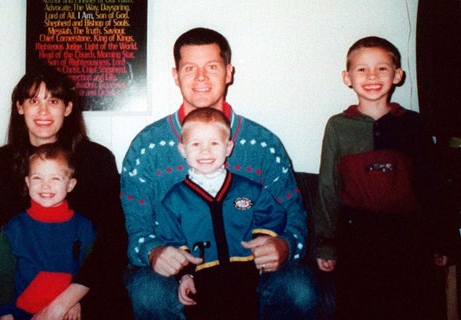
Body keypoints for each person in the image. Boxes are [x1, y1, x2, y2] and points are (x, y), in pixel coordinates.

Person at [121, 27, 318, 320]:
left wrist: (285, 246)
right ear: (175, 75)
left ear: (228, 72)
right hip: (176, 275)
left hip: (250, 271)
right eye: (190, 68)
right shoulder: (147, 147)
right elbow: (136, 230)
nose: (201, 78)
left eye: (211, 67)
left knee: (300, 288)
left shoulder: (263, 143)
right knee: (148, 293)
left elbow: (295, 216)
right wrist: (153, 253)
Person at [314, 36, 450, 319]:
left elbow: (431, 183)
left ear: (398, 75)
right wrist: (326, 241)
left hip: (408, 237)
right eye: (362, 69)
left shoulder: (413, 124)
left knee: (411, 305)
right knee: (359, 307)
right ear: (347, 77)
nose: (372, 76)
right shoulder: (338, 127)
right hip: (357, 238)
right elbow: (328, 186)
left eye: (382, 69)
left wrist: (441, 238)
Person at [0, 66, 131, 319]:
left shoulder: (96, 160)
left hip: (84, 288)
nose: (43, 111)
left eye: (53, 101)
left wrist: (64, 302)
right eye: (33, 101)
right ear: (20, 107)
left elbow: (112, 241)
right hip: (16, 291)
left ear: (68, 108)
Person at [157, 107, 287, 320]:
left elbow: (274, 213)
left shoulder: (248, 189)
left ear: (228, 148)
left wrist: (261, 241)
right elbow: (171, 238)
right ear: (183, 149)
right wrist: (185, 275)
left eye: (214, 143)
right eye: (196, 144)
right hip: (202, 280)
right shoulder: (174, 199)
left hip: (245, 275)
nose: (205, 152)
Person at [0, 144, 96, 320]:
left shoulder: (84, 227)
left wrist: (76, 302)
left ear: (70, 184)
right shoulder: (14, 227)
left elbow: (92, 271)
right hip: (21, 313)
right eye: (37, 178)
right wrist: (5, 313)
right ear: (27, 182)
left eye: (55, 178)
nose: (45, 186)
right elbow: (2, 276)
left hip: (67, 313)